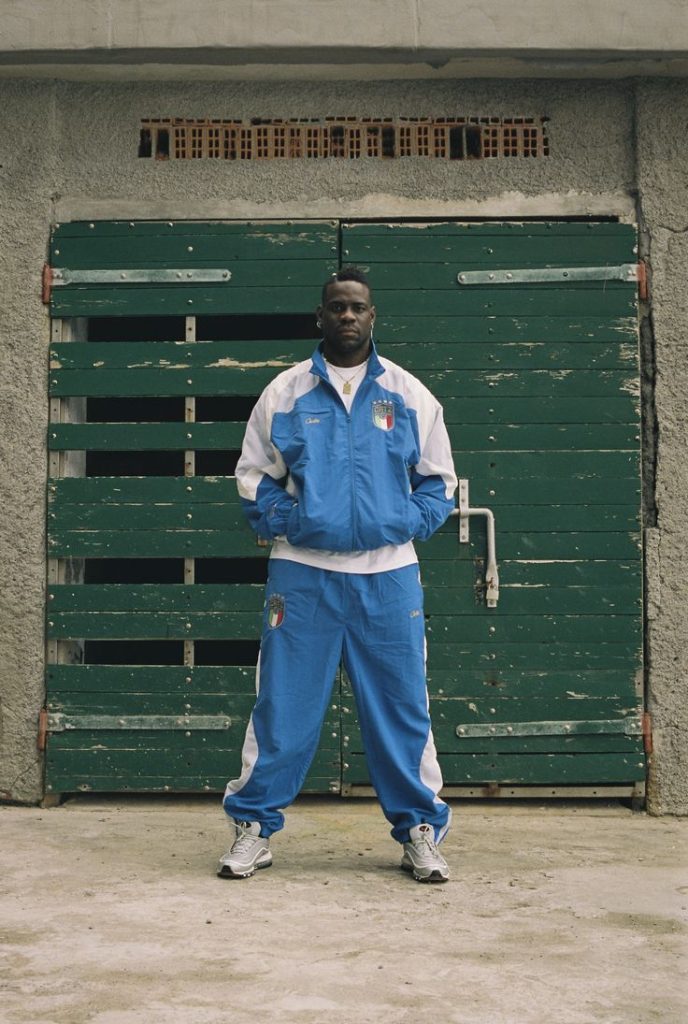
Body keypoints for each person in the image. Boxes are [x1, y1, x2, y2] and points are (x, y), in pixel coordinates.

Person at [218, 266, 458, 883]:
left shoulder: (408, 394)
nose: (347, 315)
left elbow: (440, 482)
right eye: (337, 307)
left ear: (373, 316)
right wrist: (296, 522)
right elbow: (253, 477)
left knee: (402, 709)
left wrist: (401, 522)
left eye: (358, 307)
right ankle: (253, 828)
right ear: (320, 317)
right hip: (303, 577)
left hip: (389, 576)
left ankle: (420, 830)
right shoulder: (285, 392)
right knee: (283, 707)